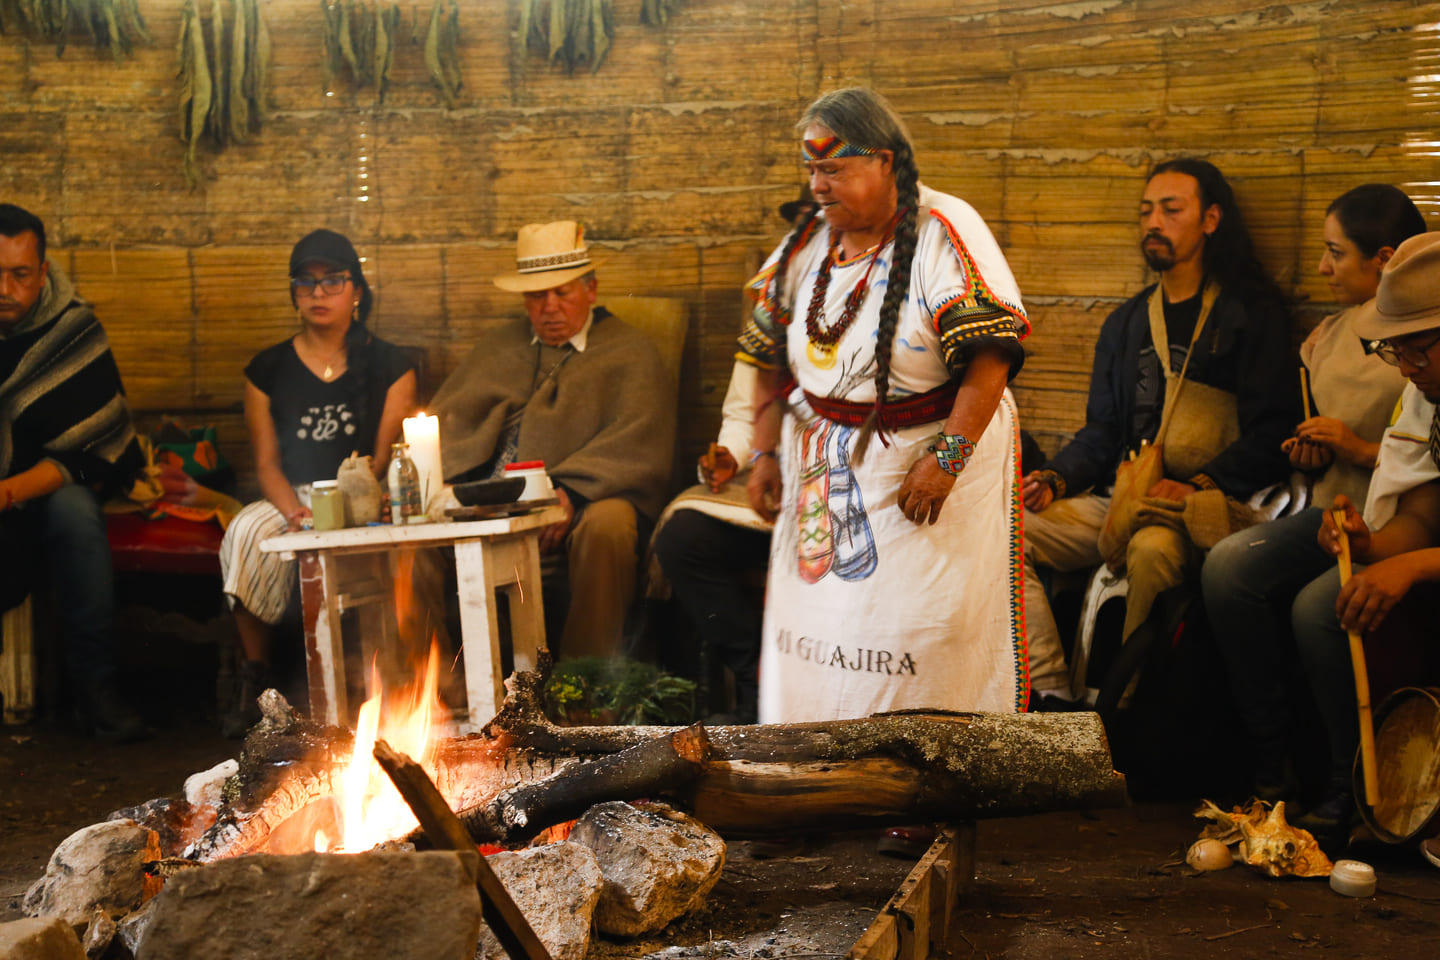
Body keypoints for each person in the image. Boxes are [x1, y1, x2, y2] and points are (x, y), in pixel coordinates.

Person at [739, 87, 1031, 724]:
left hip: (926, 468)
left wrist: (946, 461)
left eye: (834, 168)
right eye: (812, 169)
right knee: (820, 639)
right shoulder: (804, 246)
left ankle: (921, 799)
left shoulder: (942, 232)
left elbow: (991, 359)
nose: (818, 185)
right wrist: (763, 455)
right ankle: (815, 782)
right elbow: (766, 359)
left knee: (915, 637)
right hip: (822, 467)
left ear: (887, 162)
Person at [1021, 159, 1298, 707]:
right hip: (1121, 498)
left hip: (1200, 507)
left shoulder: (1250, 314)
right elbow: (1101, 431)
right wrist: (1056, 477)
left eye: (1172, 210)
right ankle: (1048, 694)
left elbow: (1274, 433)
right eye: (1147, 211)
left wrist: (1199, 482)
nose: (1154, 222)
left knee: (1150, 551)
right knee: (1008, 529)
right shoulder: (1125, 325)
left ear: (1211, 220)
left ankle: (1131, 717)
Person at [1201, 185, 1425, 802]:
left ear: (1383, 259)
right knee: (1229, 564)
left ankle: (1352, 785)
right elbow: (1419, 498)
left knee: (1318, 606)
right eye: (1394, 349)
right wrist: (1321, 469)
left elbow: (1413, 490)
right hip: (1351, 512)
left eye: (1336, 253)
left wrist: (1358, 453)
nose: (1402, 362)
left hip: (1397, 531)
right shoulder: (1349, 349)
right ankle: (1274, 765)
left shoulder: (1422, 366)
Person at [432, 221, 675, 660]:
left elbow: (640, 438)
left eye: (562, 292)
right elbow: (451, 424)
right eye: (537, 295)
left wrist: (572, 494)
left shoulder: (629, 351)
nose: (550, 307)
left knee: (610, 525)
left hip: (581, 500)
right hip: (484, 495)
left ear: (591, 290)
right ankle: (442, 696)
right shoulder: (499, 346)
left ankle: (583, 692)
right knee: (412, 544)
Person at [219, 229, 417, 736]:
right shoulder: (266, 369)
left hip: (361, 491)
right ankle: (255, 678)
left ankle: (385, 686)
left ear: (356, 290)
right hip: (294, 496)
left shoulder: (392, 364)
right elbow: (266, 463)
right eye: (305, 283)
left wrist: (347, 498)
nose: (318, 293)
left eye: (332, 281)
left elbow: (380, 458)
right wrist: (294, 512)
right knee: (244, 532)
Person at [1275, 232, 1440, 833]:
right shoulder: (1427, 398)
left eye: (1420, 352)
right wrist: (1370, 546)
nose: (1409, 371)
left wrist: (1416, 566)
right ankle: (1368, 788)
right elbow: (1421, 516)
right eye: (1396, 353)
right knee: (1335, 600)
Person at [649, 188, 813, 724]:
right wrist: (729, 456)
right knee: (683, 538)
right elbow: (745, 413)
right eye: (806, 225)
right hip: (772, 487)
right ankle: (754, 677)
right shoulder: (775, 307)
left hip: (844, 491)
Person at [0, 203, 144, 741]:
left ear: (43, 271)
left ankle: (96, 691)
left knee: (77, 515)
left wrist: (9, 490)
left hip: (45, 487)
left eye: (19, 274)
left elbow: (89, 453)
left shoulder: (71, 328)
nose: (6, 288)